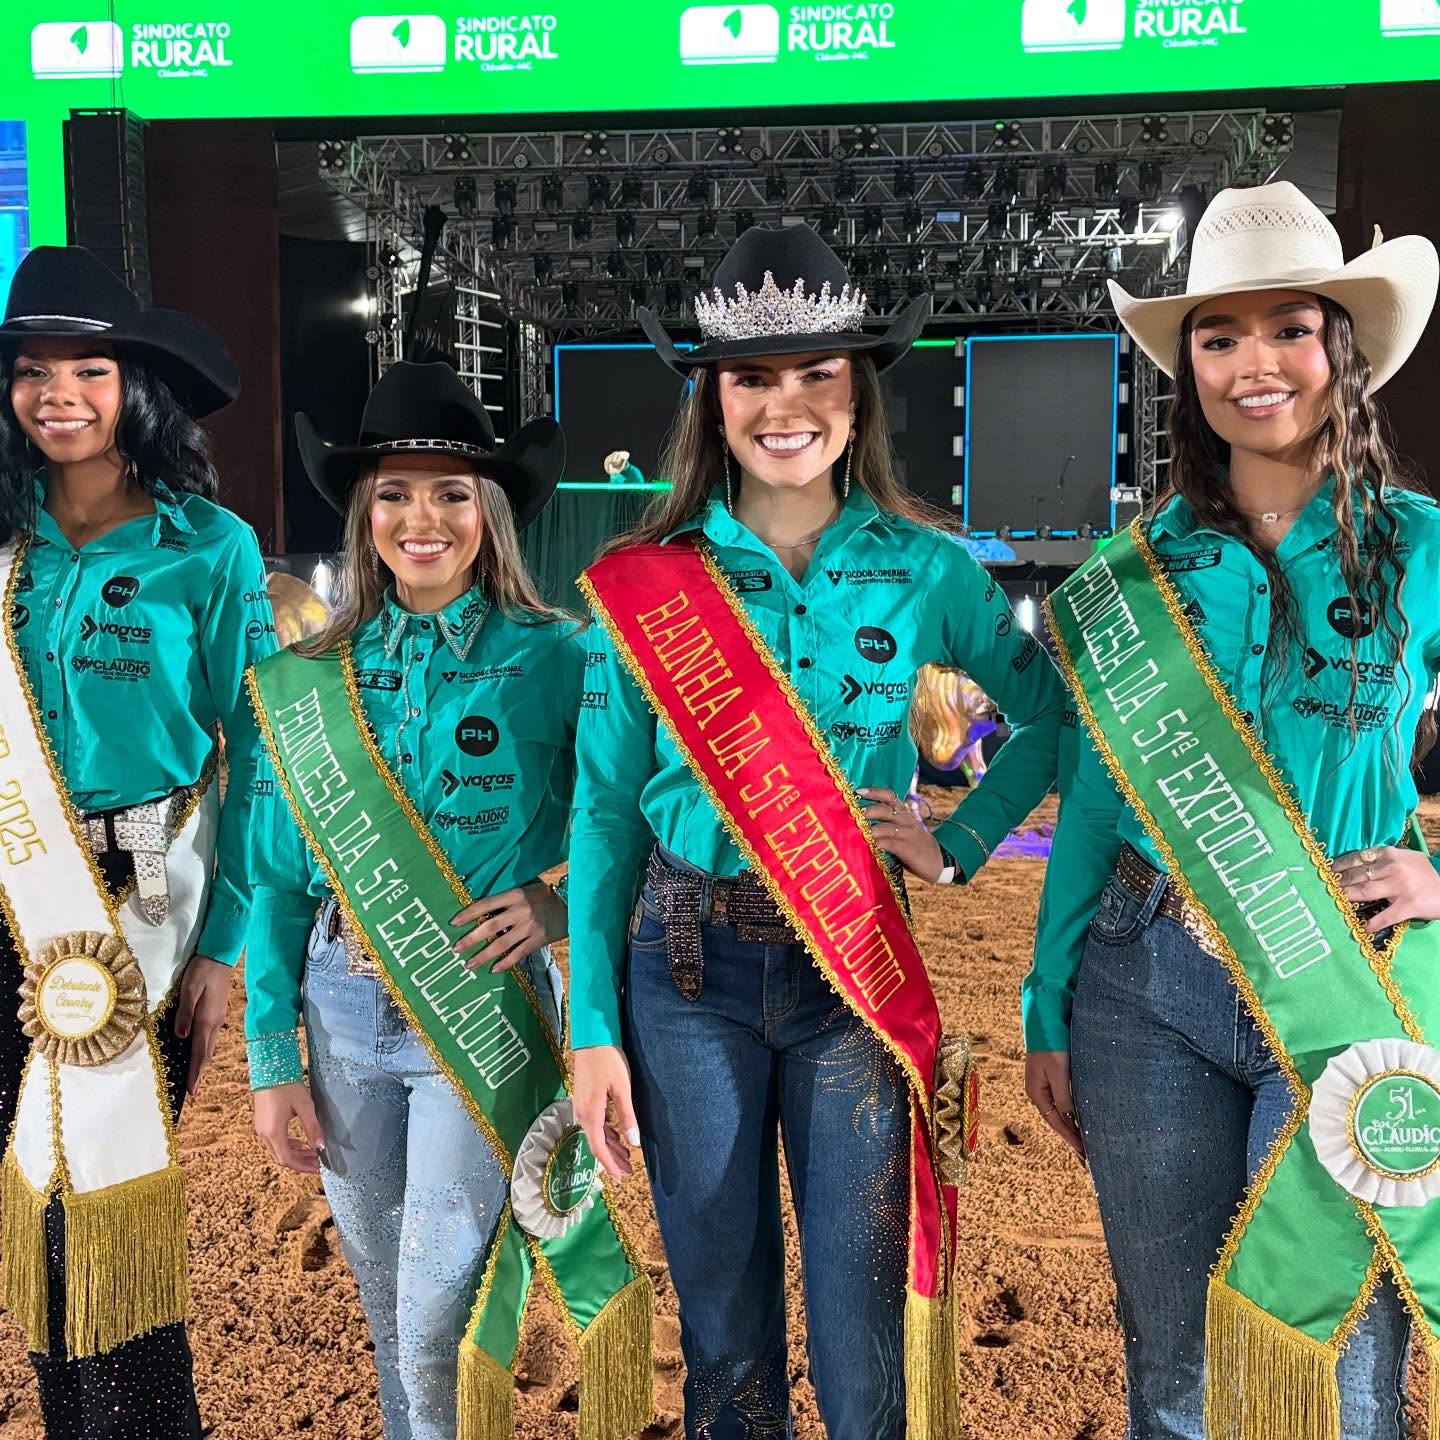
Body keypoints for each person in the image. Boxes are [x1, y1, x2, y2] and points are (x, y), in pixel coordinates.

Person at [569, 222, 1066, 1440]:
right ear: (712, 397)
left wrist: (959, 841)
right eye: (752, 377)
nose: (784, 406)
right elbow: (604, 810)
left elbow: (1054, 719)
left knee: (862, 1344)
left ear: (859, 396)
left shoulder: (929, 567)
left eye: (817, 374)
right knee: (727, 1348)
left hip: (853, 976)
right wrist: (592, 1029)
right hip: (681, 976)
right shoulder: (645, 578)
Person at [1024, 181, 1440, 1440]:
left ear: (1338, 350)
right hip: (1141, 983)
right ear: (1188, 367)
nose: (1255, 364)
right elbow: (1092, 800)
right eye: (1220, 336)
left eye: (1289, 329)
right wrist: (1047, 1005)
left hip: (1345, 970)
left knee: (1335, 1372)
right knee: (1175, 1368)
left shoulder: (1421, 545)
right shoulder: (1130, 575)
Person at [245, 361, 651, 1440]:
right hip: (338, 1010)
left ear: (491, 513)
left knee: (437, 1315)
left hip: (480, 1004)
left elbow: (635, 814)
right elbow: (277, 879)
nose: (420, 520)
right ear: (363, 512)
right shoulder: (312, 675)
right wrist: (272, 1057)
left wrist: (556, 911)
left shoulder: (560, 655)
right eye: (394, 493)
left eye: (451, 494)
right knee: (391, 1311)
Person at [0, 245, 273, 1437]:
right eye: (32, 370)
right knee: (26, 1200)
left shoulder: (211, 547)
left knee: (106, 1198)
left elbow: (260, 755)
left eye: (89, 370)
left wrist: (222, 951)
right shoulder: (2, 539)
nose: (57, 393)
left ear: (136, 387)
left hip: (139, 897)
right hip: (8, 882)